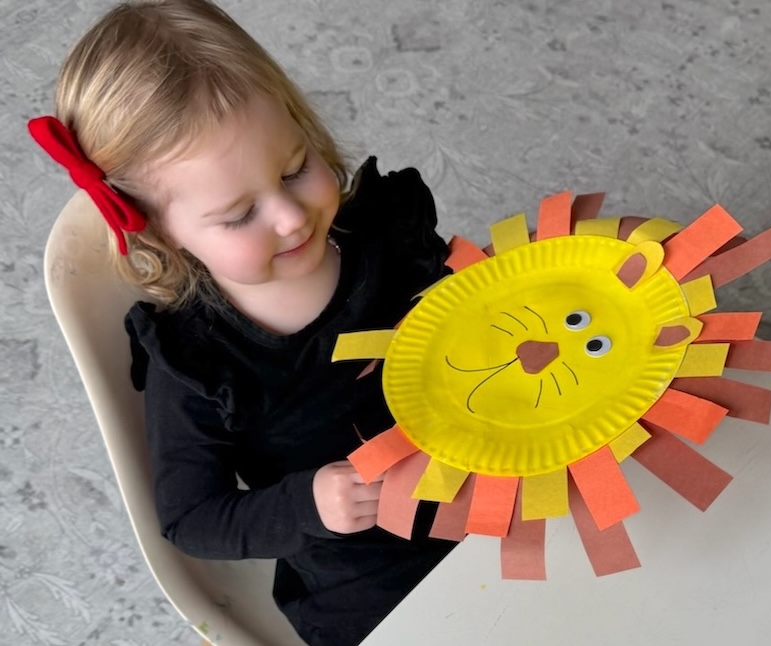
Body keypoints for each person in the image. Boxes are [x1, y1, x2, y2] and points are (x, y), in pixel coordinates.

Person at [28, 1, 456, 644]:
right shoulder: (200, 365)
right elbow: (191, 519)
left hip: (490, 473)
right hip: (369, 574)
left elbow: (460, 311)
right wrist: (308, 504)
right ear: (161, 231)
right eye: (238, 214)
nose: (290, 217)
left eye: (294, 168)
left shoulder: (384, 233)